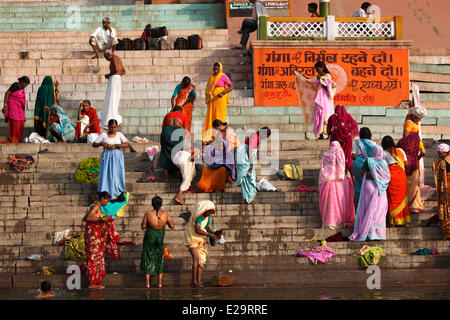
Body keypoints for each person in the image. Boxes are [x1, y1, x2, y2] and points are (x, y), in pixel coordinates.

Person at [350, 145, 390, 242]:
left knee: (368, 209)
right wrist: (377, 177)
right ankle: (377, 234)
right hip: (381, 188)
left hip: (369, 186)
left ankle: (368, 233)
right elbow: (387, 176)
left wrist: (372, 175)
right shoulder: (384, 163)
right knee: (379, 211)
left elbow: (362, 173)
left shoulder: (369, 161)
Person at [83, 191, 120, 289]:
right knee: (93, 258)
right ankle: (92, 284)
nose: (107, 203)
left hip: (93, 237)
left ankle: (94, 282)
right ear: (103, 199)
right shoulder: (95, 206)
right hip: (92, 238)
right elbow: (87, 218)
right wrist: (102, 220)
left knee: (95, 258)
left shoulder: (96, 206)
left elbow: (86, 218)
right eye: (106, 201)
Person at [319, 141, 355, 229]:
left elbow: (323, 167)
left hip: (327, 180)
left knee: (331, 202)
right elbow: (341, 165)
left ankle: (330, 222)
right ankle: (338, 220)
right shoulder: (338, 152)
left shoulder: (326, 154)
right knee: (337, 202)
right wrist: (341, 176)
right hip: (337, 181)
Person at [141, 196, 175, 288]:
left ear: (152, 204)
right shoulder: (166, 214)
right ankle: (159, 283)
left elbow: (143, 227)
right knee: (159, 257)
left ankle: (147, 283)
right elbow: (172, 226)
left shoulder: (148, 214)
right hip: (159, 237)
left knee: (148, 257)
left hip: (150, 236)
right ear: (161, 204)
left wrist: (149, 223)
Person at [397, 106, 427, 213]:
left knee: (413, 182)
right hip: (409, 155)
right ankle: (410, 204)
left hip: (413, 155)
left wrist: (417, 156)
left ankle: (413, 204)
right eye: (419, 118)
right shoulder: (409, 123)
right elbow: (406, 138)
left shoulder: (414, 123)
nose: (420, 120)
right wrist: (417, 156)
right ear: (414, 116)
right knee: (410, 182)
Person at [184, 200, 219, 288]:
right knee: (195, 258)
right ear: (205, 210)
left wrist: (214, 233)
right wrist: (210, 235)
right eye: (209, 212)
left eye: (212, 212)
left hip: (200, 239)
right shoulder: (198, 217)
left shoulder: (207, 218)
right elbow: (198, 229)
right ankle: (194, 282)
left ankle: (199, 281)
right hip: (191, 238)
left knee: (201, 261)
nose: (210, 214)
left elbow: (206, 227)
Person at [93, 119, 129, 201]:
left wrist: (116, 146)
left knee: (116, 174)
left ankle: (117, 193)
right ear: (108, 127)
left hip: (117, 158)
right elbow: (94, 144)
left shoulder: (119, 134)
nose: (113, 129)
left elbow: (126, 144)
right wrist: (102, 144)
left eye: (115, 127)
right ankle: (105, 193)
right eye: (111, 127)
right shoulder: (104, 135)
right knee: (106, 174)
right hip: (107, 158)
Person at [381, 135, 412, 227]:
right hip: (401, 176)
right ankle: (406, 222)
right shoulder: (401, 151)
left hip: (391, 177)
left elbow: (382, 165)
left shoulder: (383, 153)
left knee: (391, 199)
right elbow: (406, 163)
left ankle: (392, 223)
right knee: (403, 198)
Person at [236, 127, 271, 204]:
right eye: (266, 136)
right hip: (244, 159)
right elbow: (250, 150)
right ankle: (247, 199)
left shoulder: (257, 137)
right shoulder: (255, 137)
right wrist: (251, 163)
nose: (265, 138)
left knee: (249, 177)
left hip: (246, 158)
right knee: (247, 178)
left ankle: (248, 198)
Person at [202, 62, 234, 143]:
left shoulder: (223, 76)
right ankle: (212, 135)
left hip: (220, 100)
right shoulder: (211, 77)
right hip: (212, 100)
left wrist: (223, 93)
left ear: (220, 69)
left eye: (217, 69)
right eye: (214, 69)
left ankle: (221, 135)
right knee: (212, 117)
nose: (216, 70)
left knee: (219, 117)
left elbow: (231, 87)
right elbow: (208, 89)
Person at [327, 104, 359, 174]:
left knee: (335, 158)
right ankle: (347, 177)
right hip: (347, 141)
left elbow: (328, 131)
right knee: (346, 157)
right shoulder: (348, 117)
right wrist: (348, 133)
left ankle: (335, 176)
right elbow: (354, 126)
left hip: (335, 141)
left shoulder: (332, 118)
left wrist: (334, 131)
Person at [308, 61, 336, 139]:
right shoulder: (319, 76)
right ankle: (320, 134)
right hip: (319, 98)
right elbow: (313, 82)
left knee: (327, 116)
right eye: (316, 69)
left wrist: (320, 78)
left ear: (322, 68)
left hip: (326, 98)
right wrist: (305, 80)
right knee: (319, 115)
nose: (317, 71)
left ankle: (329, 134)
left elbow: (327, 84)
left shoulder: (327, 75)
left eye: (318, 69)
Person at [160, 106, 188, 182]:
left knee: (165, 153)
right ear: (180, 111)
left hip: (167, 131)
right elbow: (185, 130)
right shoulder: (183, 116)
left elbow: (163, 128)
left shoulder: (167, 115)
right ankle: (178, 177)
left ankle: (166, 178)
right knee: (178, 153)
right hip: (178, 131)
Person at [352, 127, 377, 206]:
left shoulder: (358, 143)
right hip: (370, 165)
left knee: (358, 183)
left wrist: (357, 157)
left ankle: (358, 204)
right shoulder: (374, 144)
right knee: (369, 184)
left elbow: (353, 156)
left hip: (358, 165)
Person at [101, 49, 126, 129]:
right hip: (117, 78)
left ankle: (111, 118)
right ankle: (113, 117)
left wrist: (109, 75)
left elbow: (116, 69)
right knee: (114, 98)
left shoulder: (114, 59)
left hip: (114, 79)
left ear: (108, 54)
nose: (106, 59)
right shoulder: (118, 58)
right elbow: (124, 71)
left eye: (106, 57)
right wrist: (117, 75)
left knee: (112, 98)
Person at [2, 76, 30, 144]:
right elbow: (7, 93)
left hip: (18, 107)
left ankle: (18, 138)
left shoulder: (21, 88)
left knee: (21, 120)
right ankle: (14, 138)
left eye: (27, 85)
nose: (25, 86)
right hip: (13, 106)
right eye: (25, 84)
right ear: (21, 82)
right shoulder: (16, 85)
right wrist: (5, 105)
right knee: (15, 121)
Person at [173, 140, 203, 205]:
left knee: (190, 173)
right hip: (184, 161)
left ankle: (182, 179)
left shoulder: (188, 149)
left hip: (176, 159)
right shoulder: (197, 150)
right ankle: (178, 197)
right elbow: (191, 158)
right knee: (186, 179)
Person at [433, 143, 450, 240]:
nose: (439, 155)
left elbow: (439, 178)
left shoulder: (441, 163)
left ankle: (447, 233)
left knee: (446, 209)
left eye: (440, 153)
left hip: (445, 189)